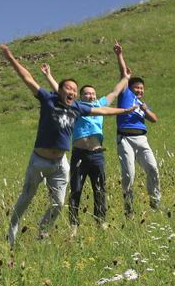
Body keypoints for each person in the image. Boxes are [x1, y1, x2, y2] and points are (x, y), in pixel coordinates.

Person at [0, 44, 131, 246]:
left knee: (59, 203)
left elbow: (103, 111)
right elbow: (28, 79)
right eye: (68, 88)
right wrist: (11, 59)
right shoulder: (48, 99)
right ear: (59, 90)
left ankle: (43, 233)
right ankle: (13, 228)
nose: (71, 91)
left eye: (74, 90)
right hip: (39, 161)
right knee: (26, 197)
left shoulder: (78, 107)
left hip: (60, 163)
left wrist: (123, 111)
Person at [39, 42, 130, 233]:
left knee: (100, 190)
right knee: (76, 190)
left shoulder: (101, 104)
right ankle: (74, 225)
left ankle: (101, 222)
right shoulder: (75, 107)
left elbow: (116, 89)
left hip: (97, 154)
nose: (90, 96)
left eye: (93, 93)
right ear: (80, 96)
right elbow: (60, 91)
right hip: (79, 154)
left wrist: (122, 65)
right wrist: (48, 76)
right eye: (86, 93)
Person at [114, 46, 161, 217]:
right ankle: (129, 209)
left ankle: (155, 202)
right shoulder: (125, 94)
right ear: (131, 87)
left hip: (142, 139)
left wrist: (146, 110)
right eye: (137, 87)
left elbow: (154, 119)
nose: (140, 90)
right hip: (125, 138)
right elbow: (123, 74)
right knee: (129, 175)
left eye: (142, 88)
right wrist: (120, 55)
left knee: (153, 169)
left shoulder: (142, 104)